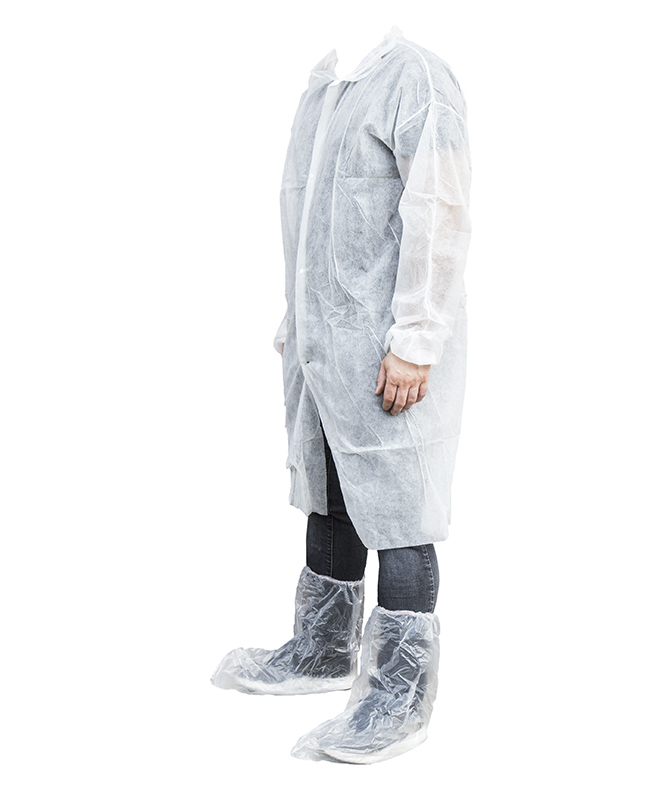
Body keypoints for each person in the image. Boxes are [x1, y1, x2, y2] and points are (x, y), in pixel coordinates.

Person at [212, 27, 472, 764]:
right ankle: (322, 650)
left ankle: (399, 698)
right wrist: (297, 325)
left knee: (399, 515)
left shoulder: (416, 79)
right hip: (324, 346)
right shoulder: (324, 88)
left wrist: (416, 339)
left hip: (389, 346)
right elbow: (308, 222)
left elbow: (441, 211)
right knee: (330, 494)